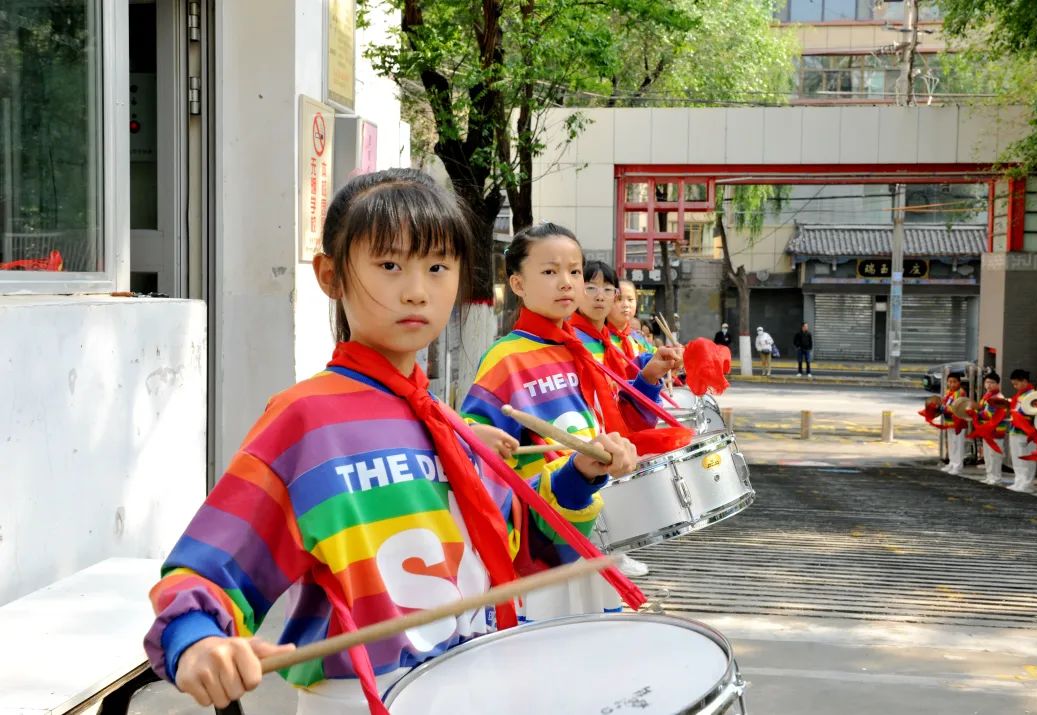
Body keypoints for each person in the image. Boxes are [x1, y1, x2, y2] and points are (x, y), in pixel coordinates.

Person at [142, 170, 637, 715]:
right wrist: (197, 640)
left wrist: (582, 473)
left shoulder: (448, 425)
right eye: (389, 265)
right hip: (362, 699)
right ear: (331, 275)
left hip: (473, 685)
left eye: (437, 267)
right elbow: (211, 568)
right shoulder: (306, 420)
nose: (416, 290)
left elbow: (521, 550)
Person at [461, 224, 676, 611]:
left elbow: (613, 425)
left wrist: (648, 380)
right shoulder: (506, 358)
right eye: (549, 271)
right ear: (517, 284)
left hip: (590, 521)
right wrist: (477, 437)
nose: (567, 282)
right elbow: (473, 447)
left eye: (574, 271)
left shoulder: (575, 353)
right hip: (541, 538)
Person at [570, 260, 681, 577]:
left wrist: (652, 372)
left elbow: (619, 393)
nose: (600, 296)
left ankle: (613, 547)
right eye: (590, 288)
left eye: (608, 289)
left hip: (609, 430)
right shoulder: (572, 341)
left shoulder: (606, 339)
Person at [608, 279, 657, 361]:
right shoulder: (600, 338)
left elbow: (656, 358)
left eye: (630, 299)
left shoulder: (639, 339)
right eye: (619, 299)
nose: (626, 305)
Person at [975, 372, 1008, 485]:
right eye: (987, 382)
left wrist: (976, 414)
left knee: (995, 456)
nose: (989, 385)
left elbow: (989, 414)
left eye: (992, 382)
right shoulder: (986, 396)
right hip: (987, 430)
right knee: (988, 456)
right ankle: (990, 476)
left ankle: (996, 478)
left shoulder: (998, 397)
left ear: (998, 384)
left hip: (996, 431)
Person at [1007, 369, 1037, 493]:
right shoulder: (1019, 395)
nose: (1015, 387)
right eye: (1013, 384)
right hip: (1015, 429)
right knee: (1017, 457)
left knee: (1026, 458)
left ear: (1025, 381)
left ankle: (1027, 483)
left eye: (1016, 384)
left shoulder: (1034, 395)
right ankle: (1019, 480)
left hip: (1026, 432)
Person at [940, 371, 968, 476]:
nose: (952, 384)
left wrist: (946, 408)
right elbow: (944, 404)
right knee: (952, 444)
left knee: (958, 444)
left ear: (959, 382)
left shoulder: (960, 393)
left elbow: (956, 407)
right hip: (950, 422)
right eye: (950, 382)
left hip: (959, 423)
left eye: (954, 382)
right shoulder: (948, 392)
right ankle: (952, 462)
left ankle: (958, 465)